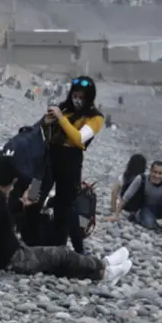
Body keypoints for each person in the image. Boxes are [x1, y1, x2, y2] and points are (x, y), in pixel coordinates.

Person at [0, 156, 133, 284]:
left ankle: (100, 274)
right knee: (62, 254)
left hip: (3, 254)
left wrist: (21, 206)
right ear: (12, 181)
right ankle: (103, 266)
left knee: (55, 266)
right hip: (12, 258)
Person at [38, 76, 104, 254]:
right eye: (75, 94)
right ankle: (37, 236)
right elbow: (45, 131)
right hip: (51, 156)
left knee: (66, 206)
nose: (77, 98)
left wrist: (61, 118)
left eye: (82, 96)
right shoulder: (64, 108)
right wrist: (47, 121)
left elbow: (79, 138)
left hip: (70, 160)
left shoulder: (95, 118)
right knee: (37, 195)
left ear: (89, 97)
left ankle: (76, 248)